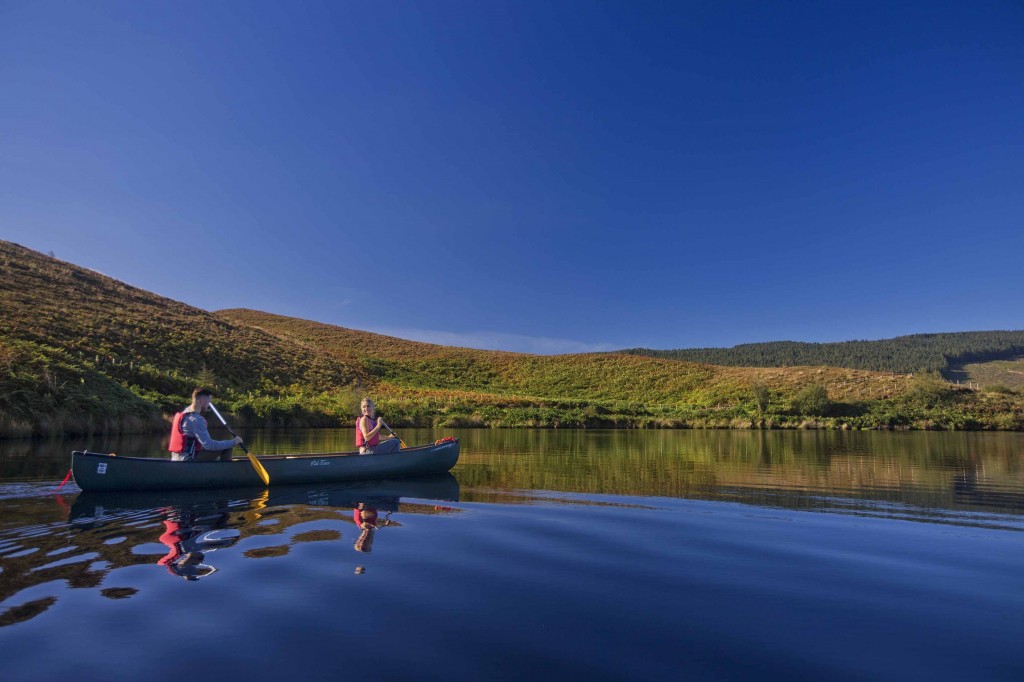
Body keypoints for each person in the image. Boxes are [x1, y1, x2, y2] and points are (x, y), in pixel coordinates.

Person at [168, 387, 243, 462]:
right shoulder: (196, 419)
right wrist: (234, 442)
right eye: (209, 402)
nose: (208, 406)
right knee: (227, 446)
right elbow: (209, 445)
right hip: (188, 460)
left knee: (220, 447)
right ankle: (224, 472)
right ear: (202, 401)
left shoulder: (184, 413)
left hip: (176, 460)